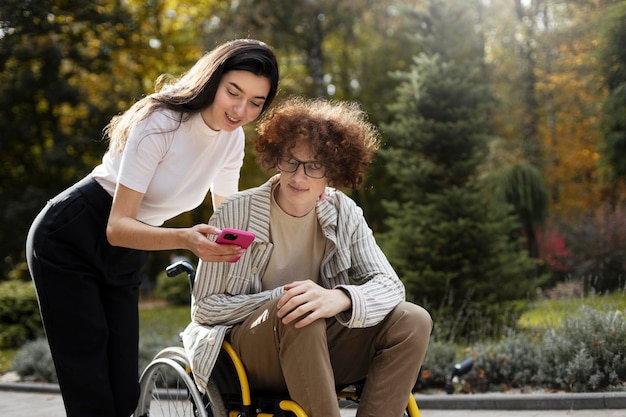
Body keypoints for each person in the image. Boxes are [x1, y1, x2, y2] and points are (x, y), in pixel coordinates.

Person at [25, 39, 279, 417]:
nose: (242, 109)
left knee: (125, 389)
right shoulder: (161, 121)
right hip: (72, 236)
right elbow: (117, 226)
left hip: (131, 246)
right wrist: (185, 238)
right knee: (90, 384)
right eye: (234, 92)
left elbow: (229, 213)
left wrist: (289, 192)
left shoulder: (231, 139)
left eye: (256, 102)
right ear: (213, 80)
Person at [182, 96, 433, 417]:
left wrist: (339, 298)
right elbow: (204, 308)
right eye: (291, 161)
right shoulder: (236, 211)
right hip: (252, 356)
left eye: (314, 166)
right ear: (276, 158)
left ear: (332, 170)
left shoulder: (344, 212)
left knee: (413, 320)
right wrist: (280, 297)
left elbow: (391, 286)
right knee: (299, 311)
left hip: (321, 347)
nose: (299, 177)